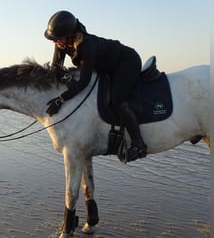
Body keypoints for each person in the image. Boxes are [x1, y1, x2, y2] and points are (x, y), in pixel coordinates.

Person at [44, 10, 147, 162]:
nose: (55, 42)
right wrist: (67, 78)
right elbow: (55, 67)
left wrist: (61, 99)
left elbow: (83, 84)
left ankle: (139, 144)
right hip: (106, 66)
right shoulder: (62, 43)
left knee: (119, 101)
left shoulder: (86, 46)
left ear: (69, 34)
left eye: (57, 39)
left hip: (126, 62)